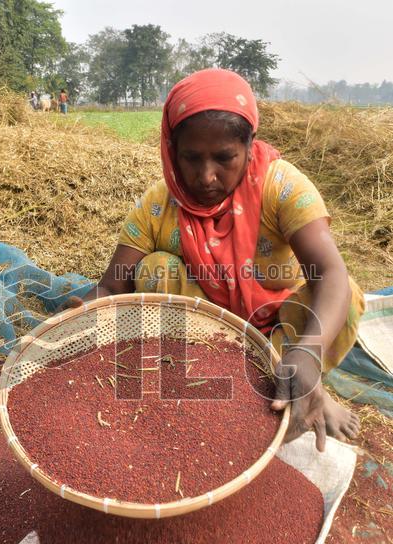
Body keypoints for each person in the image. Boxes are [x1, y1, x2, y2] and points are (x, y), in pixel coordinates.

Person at [66, 68, 364, 451]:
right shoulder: (160, 204)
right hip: (206, 333)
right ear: (171, 149)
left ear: (250, 146)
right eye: (191, 158)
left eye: (225, 158)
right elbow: (113, 283)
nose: (206, 176)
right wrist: (77, 319)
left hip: (279, 328)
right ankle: (224, 387)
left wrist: (307, 353)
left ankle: (302, 385)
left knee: (347, 295)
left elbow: (329, 272)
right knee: (156, 269)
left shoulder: (282, 187)